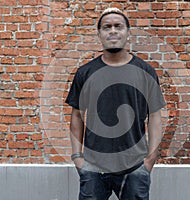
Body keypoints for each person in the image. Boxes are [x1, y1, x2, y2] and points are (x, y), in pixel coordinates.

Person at [66, 7, 166, 200]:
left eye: (118, 26)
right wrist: (77, 157)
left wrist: (150, 159)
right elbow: (77, 115)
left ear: (128, 33)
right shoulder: (85, 73)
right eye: (107, 27)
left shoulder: (145, 72)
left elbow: (154, 116)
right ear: (99, 34)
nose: (113, 31)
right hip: (94, 166)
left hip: (135, 166)